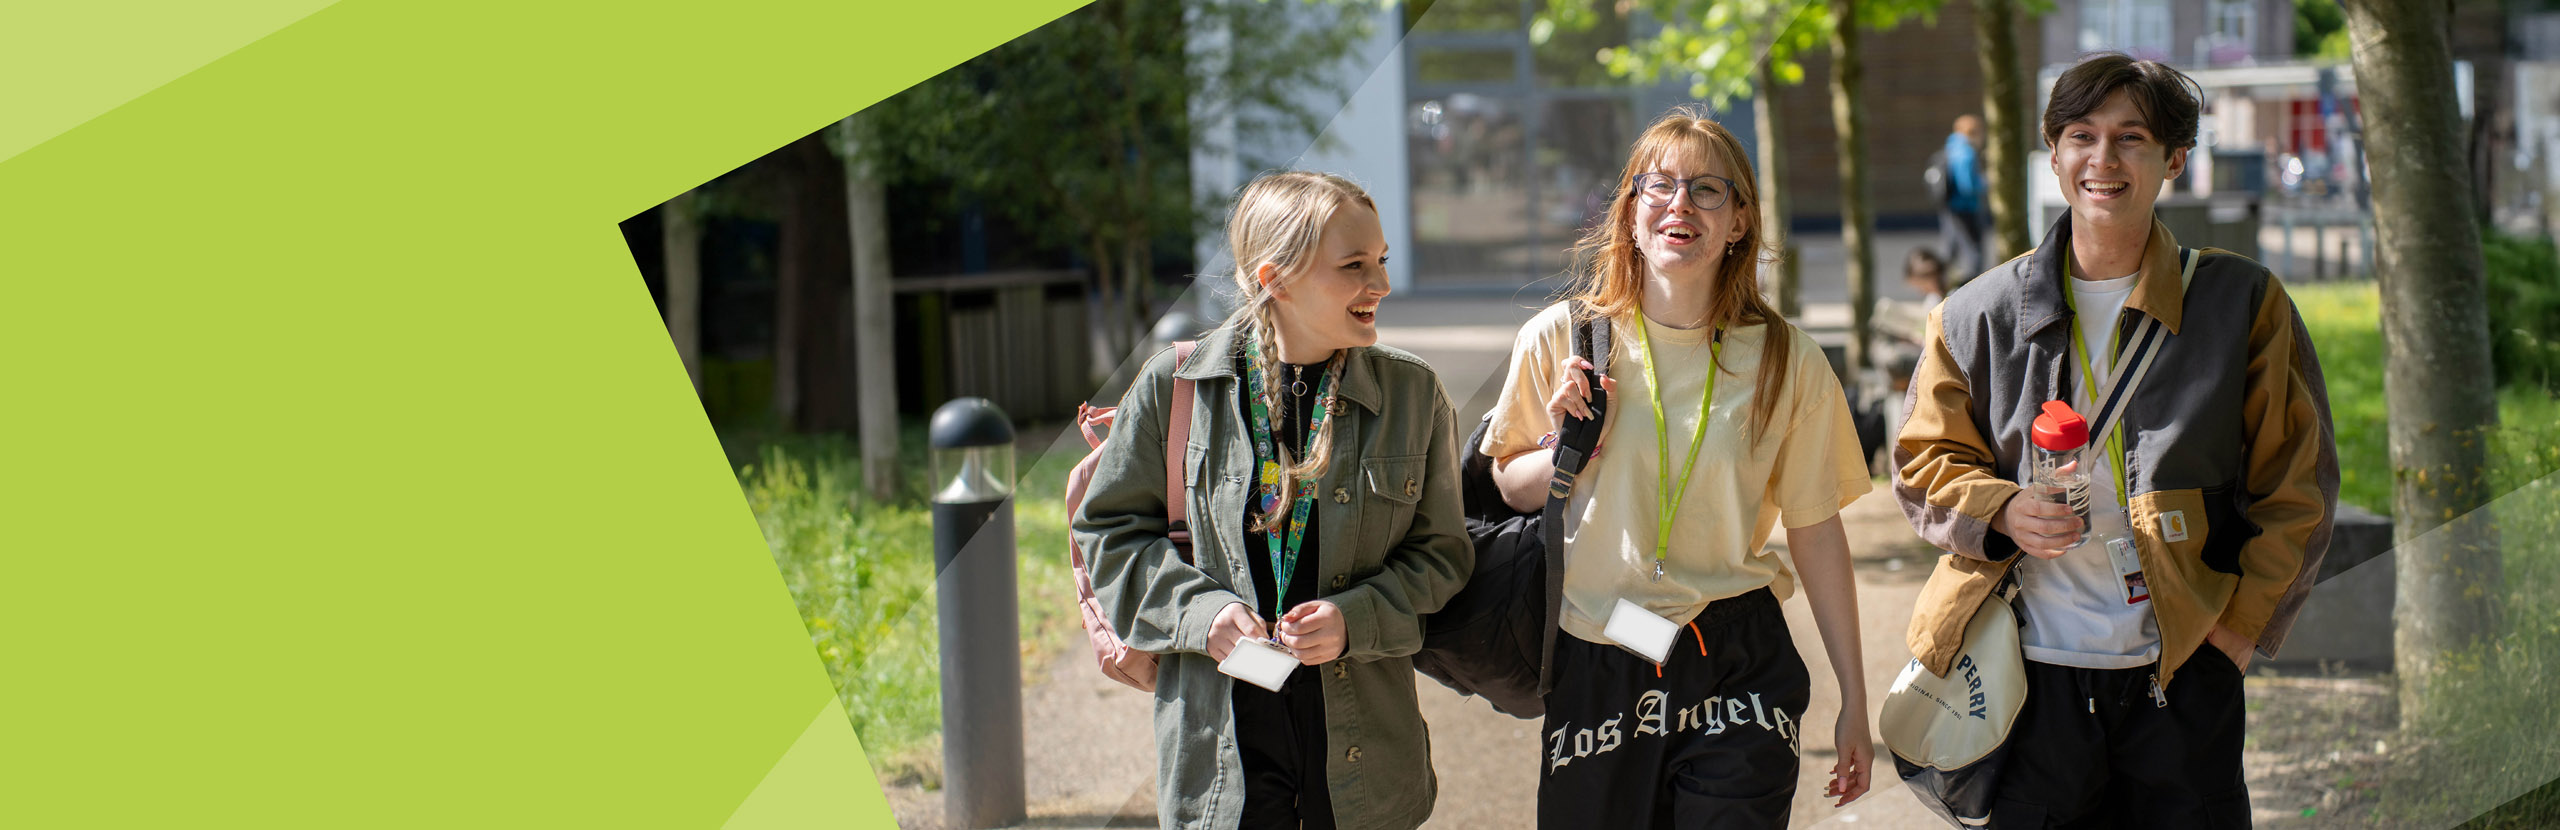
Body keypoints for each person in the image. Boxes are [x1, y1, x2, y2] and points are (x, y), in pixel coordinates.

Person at [1892, 53, 2338, 827]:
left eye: (2131, 138)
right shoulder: (1977, 314)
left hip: (2181, 673)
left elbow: (2296, 486)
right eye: (2082, 136)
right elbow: (1922, 462)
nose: (2104, 160)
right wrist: (2001, 509)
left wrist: (2236, 635)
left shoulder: (2241, 304)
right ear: (2054, 152)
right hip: (2028, 676)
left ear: (2174, 159)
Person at [1480, 106, 1875, 828]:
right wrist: (1565, 446)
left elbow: (1816, 530)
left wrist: (1855, 695)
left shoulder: (1788, 360)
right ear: (1629, 212)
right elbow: (1510, 485)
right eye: (1657, 185)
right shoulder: (1563, 338)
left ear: (1740, 222)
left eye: (1707, 190)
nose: (1680, 205)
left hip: (1735, 649)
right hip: (1600, 647)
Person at [1074, 171, 1473, 830]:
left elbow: (1442, 558)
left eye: (1381, 261)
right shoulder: (1174, 388)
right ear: (1275, 279)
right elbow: (1110, 538)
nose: (1382, 285)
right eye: (1354, 265)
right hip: (1218, 765)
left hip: (1365, 763)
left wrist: (1358, 617)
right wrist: (1203, 614)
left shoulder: (1413, 394)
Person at [1937, 114, 1989, 280]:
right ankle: (1974, 285)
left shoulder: (1950, 147)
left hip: (1949, 206)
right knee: (1974, 250)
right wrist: (1986, 182)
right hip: (1966, 207)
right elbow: (1967, 185)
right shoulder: (1967, 153)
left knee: (1950, 248)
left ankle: (1939, 282)